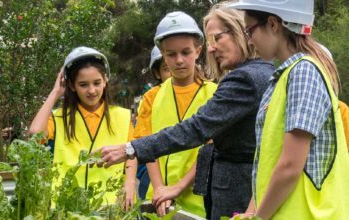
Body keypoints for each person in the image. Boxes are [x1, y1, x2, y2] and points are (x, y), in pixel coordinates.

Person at [96, 3, 275, 219]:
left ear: (239, 32)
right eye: (210, 41)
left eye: (217, 38)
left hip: (232, 194)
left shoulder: (244, 79)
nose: (212, 48)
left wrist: (131, 148)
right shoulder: (267, 72)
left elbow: (195, 128)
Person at [227, 0, 349, 219]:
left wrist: (258, 217)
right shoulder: (284, 77)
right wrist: (251, 211)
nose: (250, 40)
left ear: (273, 24)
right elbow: (271, 163)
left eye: (249, 30)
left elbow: (291, 165)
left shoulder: (304, 72)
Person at [132, 11, 217, 218]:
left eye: (186, 52)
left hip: (198, 204)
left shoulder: (215, 94)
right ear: (162, 54)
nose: (179, 60)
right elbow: (146, 146)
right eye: (171, 54)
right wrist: (161, 189)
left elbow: (211, 149)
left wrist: (178, 187)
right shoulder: (152, 97)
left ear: (198, 51)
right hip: (158, 202)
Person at [29, 47, 136, 208]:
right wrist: (55, 92)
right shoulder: (58, 118)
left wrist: (129, 184)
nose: (91, 90)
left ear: (105, 80)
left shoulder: (122, 116)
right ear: (71, 86)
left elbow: (131, 153)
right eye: (83, 85)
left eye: (97, 83)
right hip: (67, 208)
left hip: (110, 207)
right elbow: (35, 134)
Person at [135, 45, 172, 201]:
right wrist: (158, 187)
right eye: (166, 69)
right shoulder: (151, 98)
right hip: (155, 177)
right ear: (157, 73)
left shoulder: (207, 91)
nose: (176, 68)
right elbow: (145, 142)